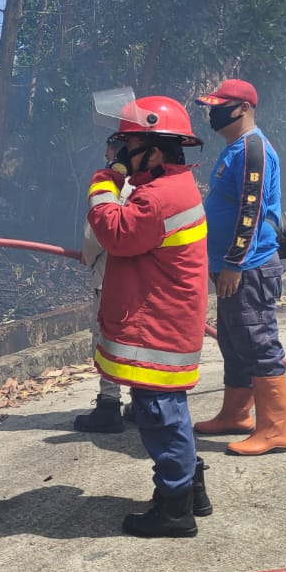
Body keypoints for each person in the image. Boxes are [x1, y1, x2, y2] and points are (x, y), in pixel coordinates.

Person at [86, 95, 211, 537]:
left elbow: (115, 232)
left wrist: (105, 179)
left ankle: (175, 511)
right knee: (164, 409)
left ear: (154, 152)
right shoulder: (168, 187)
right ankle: (188, 486)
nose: (122, 155)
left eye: (129, 147)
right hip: (164, 320)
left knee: (160, 412)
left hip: (159, 326)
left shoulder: (159, 197)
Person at [194, 78, 286, 456]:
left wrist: (232, 263)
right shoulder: (235, 148)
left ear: (244, 108)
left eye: (221, 106)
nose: (213, 113)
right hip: (232, 266)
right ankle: (235, 415)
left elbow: (250, 212)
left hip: (249, 268)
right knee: (235, 343)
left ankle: (274, 429)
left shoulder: (253, 149)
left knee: (258, 343)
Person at [73, 140, 135, 434]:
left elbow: (96, 234)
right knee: (137, 339)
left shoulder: (110, 183)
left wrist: (87, 257)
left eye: (109, 148)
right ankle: (142, 402)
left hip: (109, 277)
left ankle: (109, 406)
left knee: (107, 339)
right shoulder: (148, 183)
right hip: (141, 279)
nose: (106, 154)